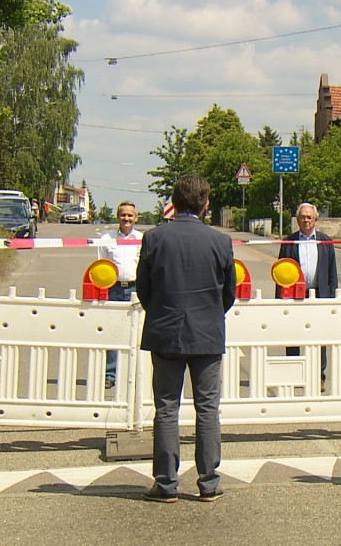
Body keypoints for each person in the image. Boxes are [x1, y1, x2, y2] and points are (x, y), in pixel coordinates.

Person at [137, 175, 236, 504]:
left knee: (166, 408)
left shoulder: (153, 238)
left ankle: (166, 485)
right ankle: (208, 483)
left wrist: (163, 314)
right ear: (205, 204)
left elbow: (143, 290)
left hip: (165, 332)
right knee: (208, 409)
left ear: (173, 202)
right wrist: (209, 315)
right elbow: (229, 294)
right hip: (207, 334)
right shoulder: (221, 242)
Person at [277, 202, 339, 390]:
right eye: (302, 217)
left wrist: (333, 299)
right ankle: (294, 375)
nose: (306, 220)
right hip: (295, 295)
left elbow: (331, 272)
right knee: (293, 335)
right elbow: (280, 270)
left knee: (319, 337)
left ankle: (319, 377)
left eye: (309, 217)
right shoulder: (288, 242)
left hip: (319, 294)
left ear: (315, 219)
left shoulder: (325, 241)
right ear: (297, 220)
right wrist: (280, 300)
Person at [97, 201, 142, 389]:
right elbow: (100, 265)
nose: (126, 218)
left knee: (137, 333)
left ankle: (135, 375)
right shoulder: (107, 239)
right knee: (113, 333)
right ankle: (110, 374)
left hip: (135, 289)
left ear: (136, 218)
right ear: (117, 217)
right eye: (123, 215)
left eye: (130, 215)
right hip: (113, 288)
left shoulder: (142, 238)